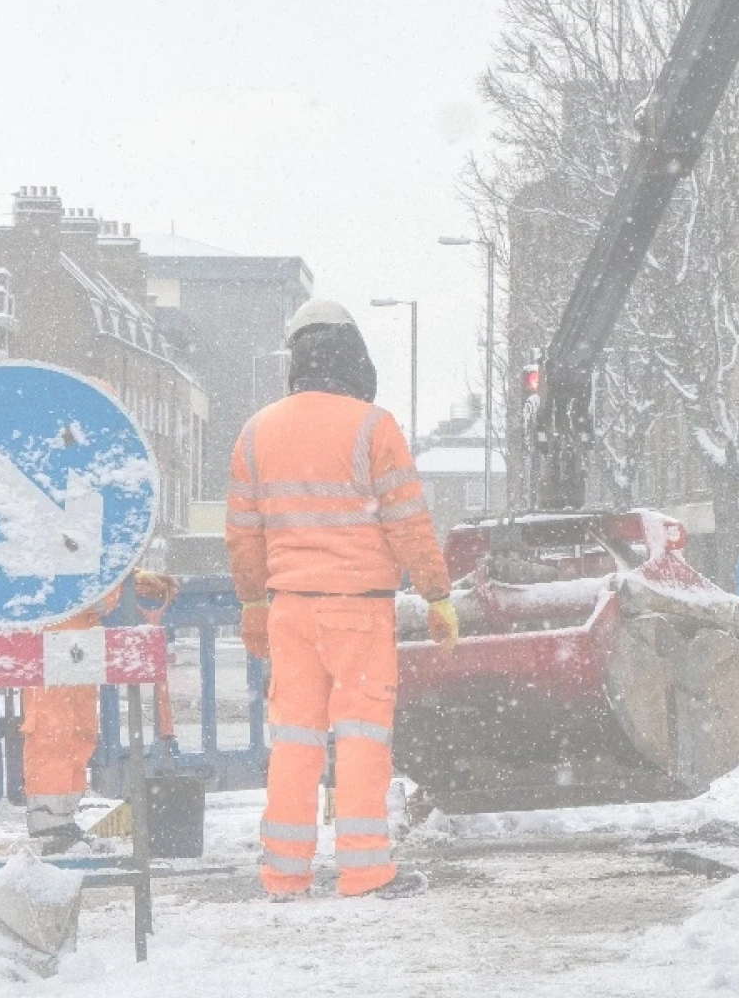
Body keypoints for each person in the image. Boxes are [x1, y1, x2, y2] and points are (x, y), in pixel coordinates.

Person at [225, 299, 460, 901]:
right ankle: (364, 870)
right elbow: (409, 520)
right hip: (358, 608)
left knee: (295, 741)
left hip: (289, 609)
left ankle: (284, 873)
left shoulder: (258, 431)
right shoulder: (372, 427)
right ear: (353, 356)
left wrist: (253, 605)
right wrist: (437, 594)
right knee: (361, 738)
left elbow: (243, 534)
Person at [23, 568, 180, 851]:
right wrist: (122, 579)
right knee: (55, 731)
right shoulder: (61, 552)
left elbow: (99, 581)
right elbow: (89, 584)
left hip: (78, 636)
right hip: (55, 635)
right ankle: (48, 824)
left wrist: (133, 580)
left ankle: (61, 819)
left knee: (77, 732)